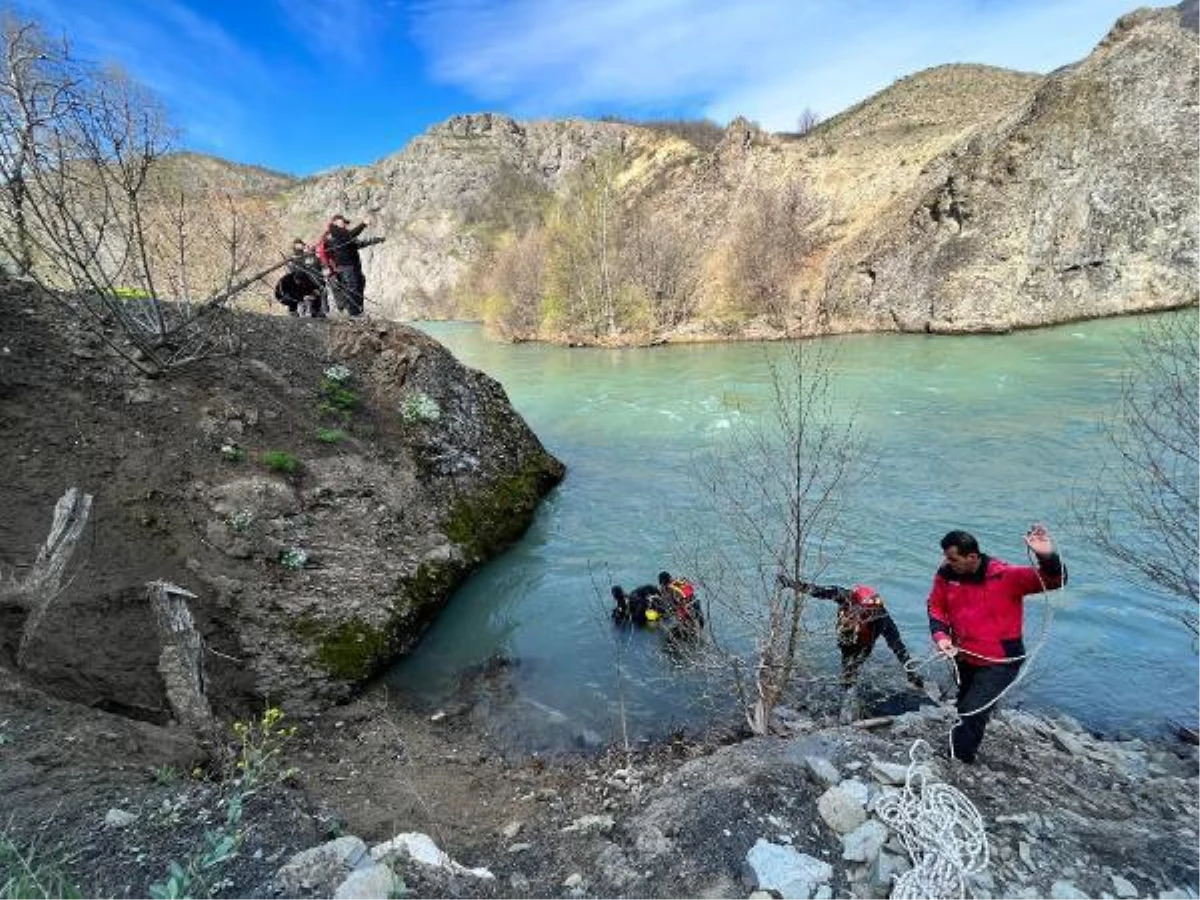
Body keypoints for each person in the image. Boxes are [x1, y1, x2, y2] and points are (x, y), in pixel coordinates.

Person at [928, 524, 1067, 764]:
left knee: (972, 709)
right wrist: (941, 637)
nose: (946, 562)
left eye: (952, 558)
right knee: (965, 704)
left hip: (1000, 661)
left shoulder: (1006, 575)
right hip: (963, 654)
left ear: (972, 557)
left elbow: (1055, 579)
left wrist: (1046, 555)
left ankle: (957, 760)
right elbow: (936, 606)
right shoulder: (947, 574)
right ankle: (964, 745)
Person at [777, 575, 924, 692]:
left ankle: (911, 677)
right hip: (848, 632)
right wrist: (791, 583)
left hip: (868, 636)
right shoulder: (843, 595)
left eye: (874, 611)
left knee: (862, 664)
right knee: (847, 661)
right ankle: (848, 684)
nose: (872, 614)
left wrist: (911, 673)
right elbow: (817, 590)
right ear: (855, 603)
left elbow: (883, 646)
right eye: (868, 611)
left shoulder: (880, 618)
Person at [319, 214, 376, 317]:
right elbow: (350, 235)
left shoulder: (342, 234)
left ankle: (358, 310)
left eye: (345, 223)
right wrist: (363, 224)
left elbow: (355, 244)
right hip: (345, 266)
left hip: (353, 265)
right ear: (335, 222)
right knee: (352, 287)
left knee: (359, 284)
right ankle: (353, 313)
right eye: (343, 222)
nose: (345, 224)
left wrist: (373, 241)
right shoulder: (334, 233)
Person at [274, 239, 324, 317]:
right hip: (294, 281)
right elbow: (288, 271)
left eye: (300, 245)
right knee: (294, 294)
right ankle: (294, 311)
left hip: (307, 278)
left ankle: (316, 310)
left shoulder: (306, 256)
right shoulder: (290, 258)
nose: (299, 247)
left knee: (315, 292)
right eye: (297, 245)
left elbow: (313, 266)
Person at [657, 571, 704, 635]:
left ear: (662, 582)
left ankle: (691, 630)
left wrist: (678, 611)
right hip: (691, 604)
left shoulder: (674, 589)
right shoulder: (670, 586)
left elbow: (682, 600)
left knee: (691, 625)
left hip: (690, 605)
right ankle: (691, 629)